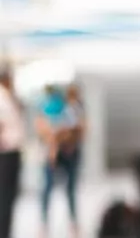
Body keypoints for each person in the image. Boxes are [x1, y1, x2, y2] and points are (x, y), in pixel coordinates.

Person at [35, 84, 85, 238]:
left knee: (69, 190)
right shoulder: (48, 110)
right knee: (47, 190)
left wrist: (60, 139)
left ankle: (73, 224)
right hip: (53, 154)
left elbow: (78, 130)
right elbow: (44, 131)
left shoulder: (70, 110)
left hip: (66, 153)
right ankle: (44, 225)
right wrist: (54, 143)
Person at [0, 71, 23, 238]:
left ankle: (6, 231)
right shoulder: (2, 97)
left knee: (9, 195)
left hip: (12, 151)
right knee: (5, 196)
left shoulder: (8, 96)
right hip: (6, 153)